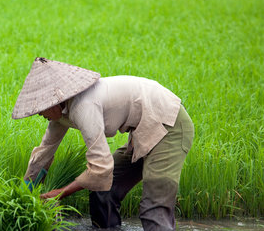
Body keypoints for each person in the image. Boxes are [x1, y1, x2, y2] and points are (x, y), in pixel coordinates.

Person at [12, 57, 194, 230]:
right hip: (144, 129)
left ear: (53, 101)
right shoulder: (60, 115)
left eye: (40, 108)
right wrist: (23, 195)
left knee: (154, 207)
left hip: (169, 125)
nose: (38, 114)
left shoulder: (83, 107)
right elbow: (43, 154)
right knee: (103, 190)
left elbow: (101, 168)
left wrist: (59, 193)